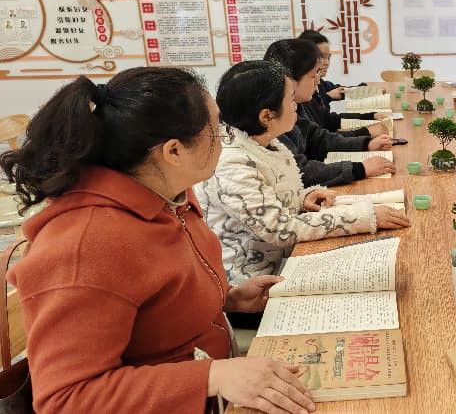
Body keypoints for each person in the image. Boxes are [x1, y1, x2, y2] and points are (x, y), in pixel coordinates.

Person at [0, 69, 316, 413]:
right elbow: (66, 399)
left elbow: (155, 296)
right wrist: (211, 376)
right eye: (216, 129)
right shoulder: (85, 245)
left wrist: (227, 299)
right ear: (174, 151)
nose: (226, 138)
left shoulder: (168, 194)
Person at [196, 60, 410, 289]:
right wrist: (364, 217)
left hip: (285, 261)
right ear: (266, 116)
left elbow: (270, 196)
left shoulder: (267, 143)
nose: (296, 106)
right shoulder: (232, 162)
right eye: (290, 100)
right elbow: (279, 229)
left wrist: (301, 198)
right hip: (250, 284)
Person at [264, 39, 396, 185]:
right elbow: (298, 171)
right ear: (290, 80)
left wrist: (366, 143)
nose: (318, 81)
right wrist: (360, 169)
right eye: (314, 75)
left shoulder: (295, 106)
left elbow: (319, 138)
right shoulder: (272, 118)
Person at [297, 30, 389, 136]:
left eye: (328, 57)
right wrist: (327, 97)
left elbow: (342, 92)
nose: (326, 62)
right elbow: (320, 137)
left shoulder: (320, 84)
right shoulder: (301, 98)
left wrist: (371, 97)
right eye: (321, 57)